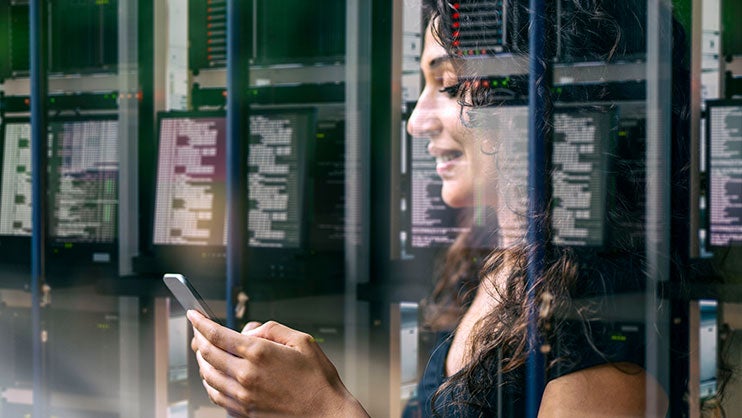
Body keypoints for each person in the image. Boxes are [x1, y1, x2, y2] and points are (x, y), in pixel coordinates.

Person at [187, 0, 688, 416]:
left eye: (447, 86)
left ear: (540, 104)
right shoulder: (497, 263)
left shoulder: (599, 321)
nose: (416, 122)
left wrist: (323, 407)